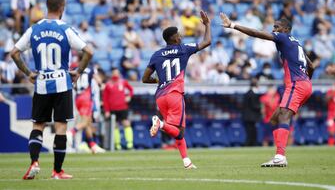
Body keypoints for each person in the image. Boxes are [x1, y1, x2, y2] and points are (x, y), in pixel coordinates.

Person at [10, 0, 93, 179]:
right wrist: (78, 71)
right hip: (62, 84)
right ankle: (57, 171)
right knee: (61, 127)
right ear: (62, 7)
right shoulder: (65, 28)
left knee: (38, 125)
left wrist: (29, 73)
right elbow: (88, 51)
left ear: (47, 7)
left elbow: (14, 53)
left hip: (41, 85)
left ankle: (34, 162)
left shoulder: (34, 29)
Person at [220, 13, 314, 167]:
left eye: (277, 27)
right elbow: (311, 66)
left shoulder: (283, 37)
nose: (274, 29)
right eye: (273, 26)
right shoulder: (297, 43)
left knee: (283, 116)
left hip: (296, 84)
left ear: (285, 29)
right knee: (275, 118)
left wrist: (233, 25)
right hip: (305, 84)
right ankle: (279, 154)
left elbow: (257, 33)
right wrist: (307, 82)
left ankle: (280, 157)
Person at [142, 10, 211, 169]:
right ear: (173, 38)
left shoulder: (157, 54)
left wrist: (158, 80)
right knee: (179, 132)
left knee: (176, 131)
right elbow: (207, 41)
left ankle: (187, 162)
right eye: (178, 34)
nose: (181, 36)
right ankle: (159, 123)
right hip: (174, 94)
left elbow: (144, 79)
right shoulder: (183, 49)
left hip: (160, 96)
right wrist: (207, 25)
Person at [68, 64, 105, 154]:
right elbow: (99, 81)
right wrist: (102, 85)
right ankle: (71, 132)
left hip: (77, 97)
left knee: (88, 122)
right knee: (85, 122)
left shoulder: (75, 69)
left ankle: (92, 145)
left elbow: (73, 83)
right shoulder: (91, 69)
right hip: (86, 97)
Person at [103, 68, 134, 150]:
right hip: (113, 109)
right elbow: (105, 98)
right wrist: (106, 110)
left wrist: (129, 96)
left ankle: (129, 144)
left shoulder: (123, 81)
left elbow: (131, 90)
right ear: (112, 74)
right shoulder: (108, 84)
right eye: (114, 72)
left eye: (117, 72)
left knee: (126, 124)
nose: (116, 74)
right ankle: (117, 145)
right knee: (115, 126)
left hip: (123, 107)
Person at [242, 77, 262, 146]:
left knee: (251, 132)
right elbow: (254, 105)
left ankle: (252, 144)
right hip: (250, 117)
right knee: (251, 132)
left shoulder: (248, 92)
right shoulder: (252, 93)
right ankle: (249, 144)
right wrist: (262, 107)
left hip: (248, 116)